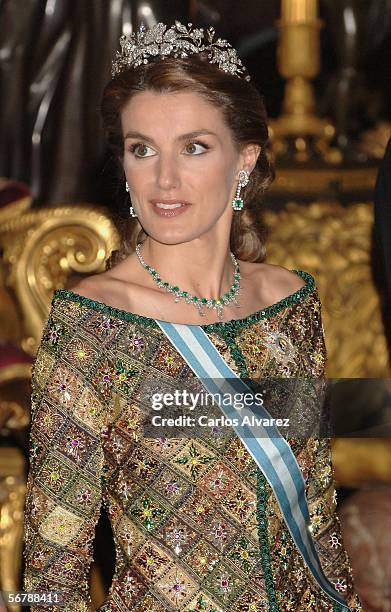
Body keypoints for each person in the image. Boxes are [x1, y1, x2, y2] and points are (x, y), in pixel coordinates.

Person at [22, 21, 363, 611]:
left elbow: (316, 513)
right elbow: (53, 559)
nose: (165, 179)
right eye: (142, 149)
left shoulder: (289, 304)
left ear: (244, 161)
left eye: (194, 147)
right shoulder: (92, 324)